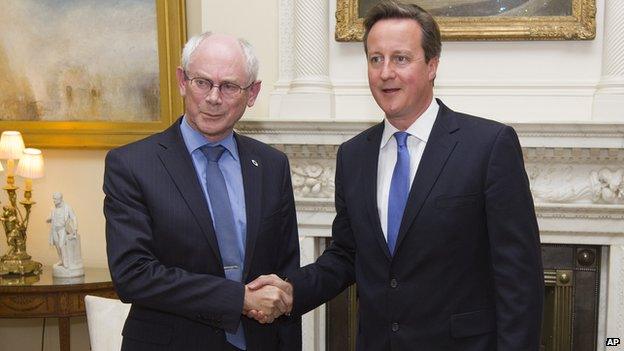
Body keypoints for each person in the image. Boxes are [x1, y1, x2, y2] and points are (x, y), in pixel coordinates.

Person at [248, 1, 544, 350]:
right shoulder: (354, 155)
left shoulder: (488, 146)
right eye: (376, 59)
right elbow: (346, 255)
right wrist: (293, 289)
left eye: (400, 58)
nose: (385, 72)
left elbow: (519, 279)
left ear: (432, 65)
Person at [104, 32, 301, 351]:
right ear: (182, 81)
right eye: (202, 82)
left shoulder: (271, 165)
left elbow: (285, 273)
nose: (213, 97)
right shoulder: (132, 165)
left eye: (229, 86)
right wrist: (239, 299)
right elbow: (133, 274)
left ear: (252, 93)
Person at [47, 192, 83, 277]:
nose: (54, 200)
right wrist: (48, 219)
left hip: (62, 229)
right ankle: (61, 260)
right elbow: (49, 217)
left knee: (61, 244)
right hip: (54, 229)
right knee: (56, 244)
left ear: (60, 199)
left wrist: (75, 228)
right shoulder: (53, 209)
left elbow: (73, 217)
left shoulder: (67, 207)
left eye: (55, 199)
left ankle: (66, 262)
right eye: (53, 199)